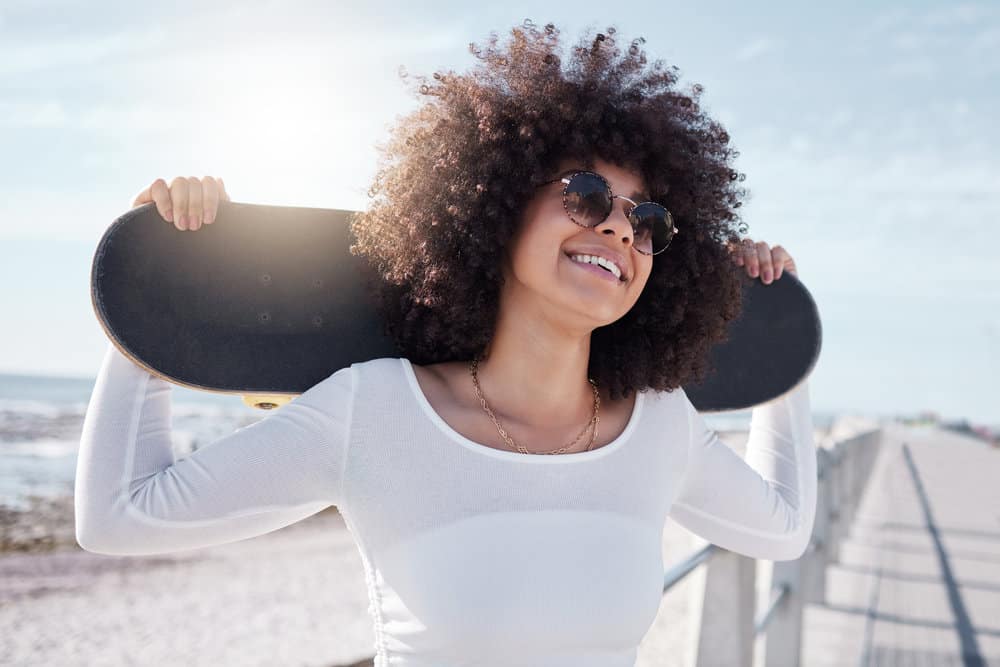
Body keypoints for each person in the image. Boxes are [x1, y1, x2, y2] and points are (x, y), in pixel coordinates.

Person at [75, 20, 815, 667]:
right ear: (494, 205)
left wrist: (780, 341)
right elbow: (118, 514)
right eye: (586, 195)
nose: (621, 229)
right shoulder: (379, 412)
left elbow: (783, 529)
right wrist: (157, 297)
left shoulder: (660, 426)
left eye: (647, 220)